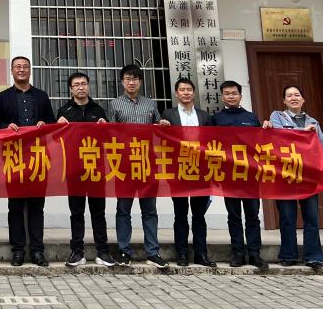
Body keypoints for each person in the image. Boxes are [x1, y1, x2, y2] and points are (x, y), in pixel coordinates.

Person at [0, 55, 55, 267]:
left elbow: (52, 123)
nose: (21, 70)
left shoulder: (42, 96)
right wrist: (6, 126)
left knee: (37, 207)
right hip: (14, 157)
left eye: (25, 67)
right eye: (17, 67)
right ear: (12, 71)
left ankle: (37, 251)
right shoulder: (3, 97)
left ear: (30, 70)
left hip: (38, 157)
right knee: (15, 206)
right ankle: (18, 250)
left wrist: (44, 124)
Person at [109, 63, 170, 269]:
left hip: (147, 163)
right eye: (127, 79)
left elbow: (160, 129)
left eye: (135, 79)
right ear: (122, 82)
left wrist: (164, 126)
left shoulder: (151, 104)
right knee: (123, 209)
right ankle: (124, 251)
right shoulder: (115, 104)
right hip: (124, 165)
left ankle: (152, 252)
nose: (131, 82)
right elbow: (109, 134)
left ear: (140, 82)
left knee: (149, 210)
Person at [269, 85, 323, 269]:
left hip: (308, 177)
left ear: (303, 99)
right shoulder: (277, 117)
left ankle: (314, 256)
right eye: (289, 96)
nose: (294, 98)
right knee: (287, 217)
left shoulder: (313, 122)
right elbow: (280, 137)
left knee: (312, 217)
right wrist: (304, 133)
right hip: (285, 176)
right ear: (284, 101)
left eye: (297, 95)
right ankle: (288, 255)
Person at [56, 71, 116, 268]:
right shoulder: (64, 111)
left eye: (84, 83)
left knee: (98, 212)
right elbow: (56, 141)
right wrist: (58, 127)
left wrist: (105, 128)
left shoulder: (98, 110)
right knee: (76, 212)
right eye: (76, 84)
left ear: (89, 86)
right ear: (71, 89)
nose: (80, 87)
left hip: (96, 168)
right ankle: (77, 252)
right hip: (74, 169)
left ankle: (103, 252)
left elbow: (107, 140)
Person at [212, 79, 269, 270]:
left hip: (250, 175)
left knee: (252, 215)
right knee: (234, 216)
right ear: (222, 97)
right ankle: (237, 253)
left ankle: (254, 254)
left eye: (234, 93)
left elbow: (262, 144)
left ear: (240, 96)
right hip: (229, 176)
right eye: (227, 93)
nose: (231, 96)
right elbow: (211, 146)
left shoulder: (251, 118)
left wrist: (267, 129)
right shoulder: (216, 119)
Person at [160, 77, 216, 268]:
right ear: (176, 93)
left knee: (199, 216)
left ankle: (201, 254)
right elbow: (163, 141)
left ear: (194, 93)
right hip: (178, 170)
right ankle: (182, 254)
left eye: (189, 89)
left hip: (201, 171)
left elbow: (213, 142)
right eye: (182, 89)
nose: (186, 92)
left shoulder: (204, 116)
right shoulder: (168, 115)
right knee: (180, 215)